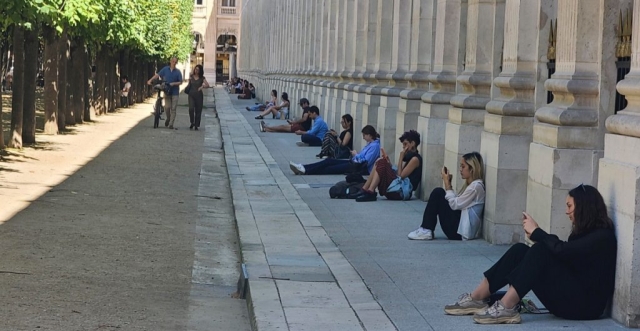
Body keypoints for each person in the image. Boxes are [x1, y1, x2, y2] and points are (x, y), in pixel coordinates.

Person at [444, 184, 616, 325]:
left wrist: (538, 233)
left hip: (584, 307)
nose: (566, 212)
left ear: (584, 207)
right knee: (521, 250)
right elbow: (563, 255)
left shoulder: (602, 236)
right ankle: (477, 297)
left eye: (570, 206)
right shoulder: (583, 233)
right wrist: (539, 236)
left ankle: (506, 307)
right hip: (572, 296)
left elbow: (562, 251)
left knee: (540, 250)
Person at [408, 152, 485, 241]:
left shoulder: (476, 187)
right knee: (440, 194)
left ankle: (426, 230)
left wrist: (447, 184)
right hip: (459, 228)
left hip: (460, 232)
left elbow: (455, 205)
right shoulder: (473, 186)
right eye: (460, 166)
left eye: (463, 167)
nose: (460, 169)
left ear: (472, 169)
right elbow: (458, 204)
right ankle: (426, 229)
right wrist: (449, 186)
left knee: (438, 193)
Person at [356, 130, 422, 202]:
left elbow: (401, 176)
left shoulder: (415, 159)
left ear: (412, 143)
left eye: (405, 144)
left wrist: (401, 158)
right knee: (380, 161)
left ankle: (370, 191)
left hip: (401, 192)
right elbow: (398, 174)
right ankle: (365, 189)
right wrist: (389, 164)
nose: (403, 147)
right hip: (398, 187)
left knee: (382, 162)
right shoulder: (410, 158)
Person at [289, 125, 380, 175]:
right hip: (353, 163)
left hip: (358, 168)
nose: (363, 137)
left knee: (329, 168)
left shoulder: (375, 146)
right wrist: (356, 155)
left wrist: (356, 154)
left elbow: (366, 161)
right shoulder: (370, 144)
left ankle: (305, 170)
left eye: (364, 135)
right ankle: (304, 167)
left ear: (369, 135)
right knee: (329, 161)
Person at [147, 56, 183, 129]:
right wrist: (150, 80)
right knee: (167, 107)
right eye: (173, 61)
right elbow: (157, 75)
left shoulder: (178, 72)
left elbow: (180, 82)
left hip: (175, 92)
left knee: (173, 108)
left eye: (175, 62)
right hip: (167, 91)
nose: (174, 63)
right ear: (170, 61)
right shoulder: (165, 69)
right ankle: (168, 118)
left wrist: (173, 83)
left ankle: (171, 124)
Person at [186, 65, 210, 131]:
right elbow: (189, 85)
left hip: (199, 95)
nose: (196, 71)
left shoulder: (202, 78)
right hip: (191, 94)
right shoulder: (191, 77)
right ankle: (192, 122)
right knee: (191, 108)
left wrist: (202, 87)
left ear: (200, 71)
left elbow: (207, 85)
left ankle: (196, 124)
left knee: (198, 110)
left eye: (198, 70)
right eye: (195, 69)